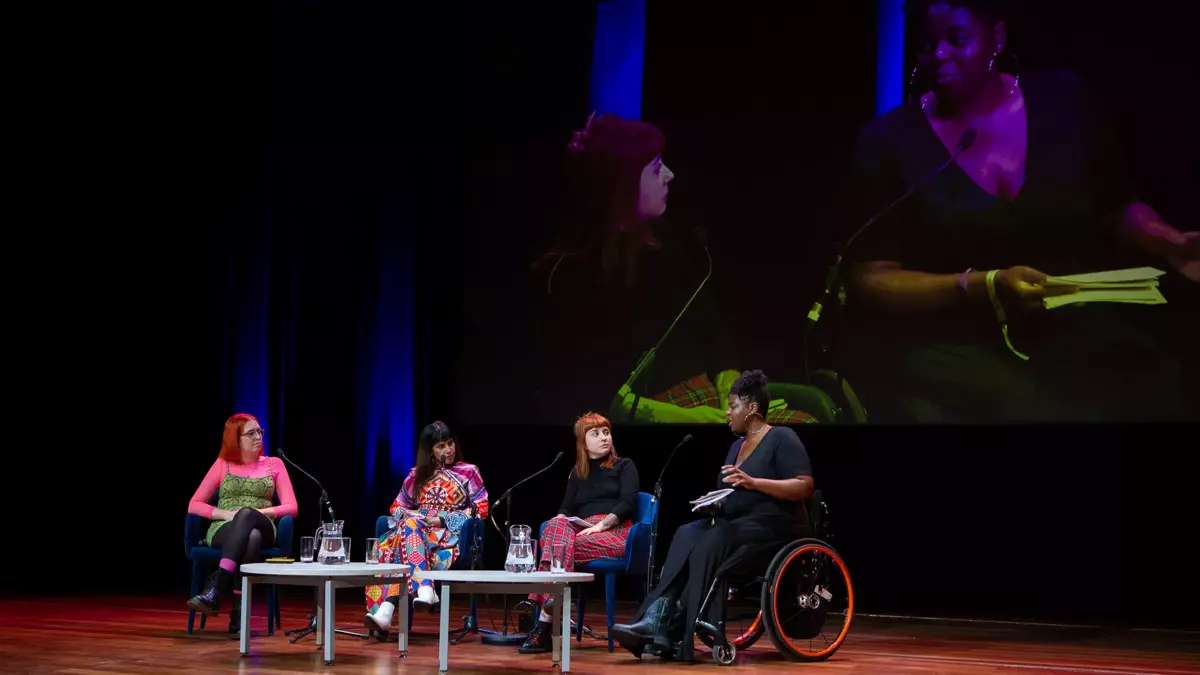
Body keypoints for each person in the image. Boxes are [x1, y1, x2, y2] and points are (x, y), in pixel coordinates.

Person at [843, 0, 1198, 423]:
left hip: (1076, 330)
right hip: (954, 347)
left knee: (1153, 376)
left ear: (997, 37)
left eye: (956, 39)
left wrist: (1170, 242)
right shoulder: (888, 139)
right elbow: (871, 277)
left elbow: (1114, 206)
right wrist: (986, 285)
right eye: (925, 44)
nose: (938, 54)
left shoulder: (1065, 99)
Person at [530, 113, 818, 425]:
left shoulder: (663, 241)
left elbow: (713, 328)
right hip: (656, 413)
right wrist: (690, 419)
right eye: (655, 169)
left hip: (706, 401)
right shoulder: (569, 276)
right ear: (623, 184)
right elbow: (592, 398)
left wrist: (731, 392)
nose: (669, 175)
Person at [609, 370, 814, 661]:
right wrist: (713, 504)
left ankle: (675, 626)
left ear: (752, 408)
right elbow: (731, 493)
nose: (727, 413)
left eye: (733, 406)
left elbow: (804, 485)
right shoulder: (734, 447)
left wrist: (754, 482)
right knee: (687, 532)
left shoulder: (782, 437)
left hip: (774, 528)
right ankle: (657, 619)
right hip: (736, 525)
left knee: (713, 538)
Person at [517, 412, 641, 654]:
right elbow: (565, 510)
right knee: (554, 524)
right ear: (583, 442)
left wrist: (601, 525)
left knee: (559, 548)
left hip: (614, 532)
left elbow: (629, 502)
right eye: (595, 434)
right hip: (579, 532)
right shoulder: (577, 473)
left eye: (606, 432)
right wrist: (557, 523)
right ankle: (552, 599)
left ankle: (543, 619)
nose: (604, 437)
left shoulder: (625, 466)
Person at [364, 421, 489, 635]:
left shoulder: (468, 472)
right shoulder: (417, 475)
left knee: (397, 546)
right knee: (407, 528)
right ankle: (424, 589)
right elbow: (396, 506)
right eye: (441, 446)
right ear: (429, 451)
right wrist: (411, 515)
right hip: (417, 531)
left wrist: (443, 520)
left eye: (450, 444)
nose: (448, 450)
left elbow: (482, 508)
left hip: (450, 535)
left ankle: (387, 609)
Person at [187, 414, 298, 636]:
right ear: (235, 439)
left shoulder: (274, 464)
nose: (258, 437)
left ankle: (216, 590)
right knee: (251, 537)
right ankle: (238, 614)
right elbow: (194, 505)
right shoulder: (222, 465)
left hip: (265, 524)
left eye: (260, 432)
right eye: (251, 433)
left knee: (250, 520)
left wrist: (254, 513)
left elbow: (291, 507)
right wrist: (228, 515)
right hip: (224, 528)